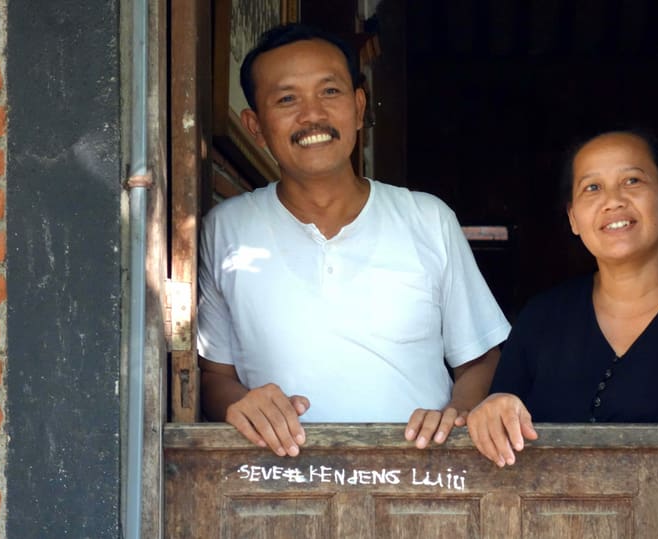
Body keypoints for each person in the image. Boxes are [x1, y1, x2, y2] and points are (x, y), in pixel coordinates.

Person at [197, 23, 510, 458]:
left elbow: (480, 356)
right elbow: (213, 374)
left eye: (330, 92)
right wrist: (238, 404)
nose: (312, 115)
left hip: (418, 480)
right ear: (256, 127)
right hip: (279, 485)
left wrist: (456, 415)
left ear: (359, 107)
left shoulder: (427, 218)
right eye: (287, 99)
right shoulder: (226, 229)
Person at [466, 129, 658, 467]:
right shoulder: (542, 319)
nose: (613, 200)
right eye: (592, 188)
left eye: (632, 181)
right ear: (573, 218)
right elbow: (499, 407)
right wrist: (493, 407)